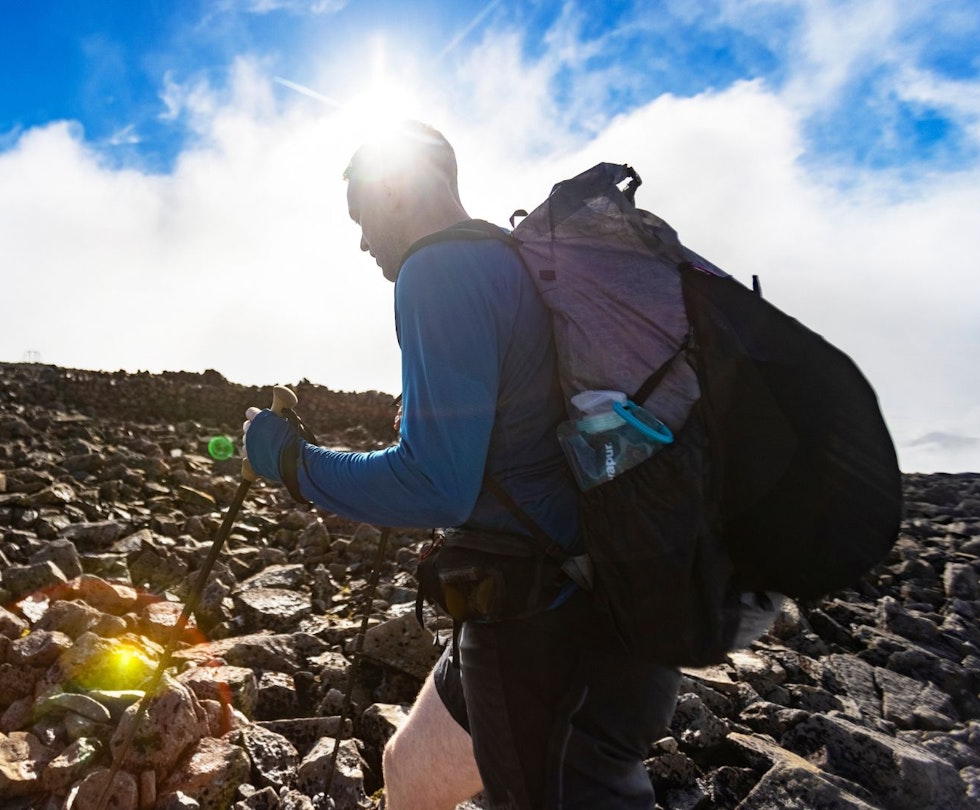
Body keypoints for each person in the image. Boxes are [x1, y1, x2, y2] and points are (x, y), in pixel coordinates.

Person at [242, 121, 681, 809]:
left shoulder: (436, 271)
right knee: (410, 768)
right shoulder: (507, 260)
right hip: (577, 587)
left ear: (399, 192)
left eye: (362, 217)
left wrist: (291, 462)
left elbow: (435, 485)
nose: (361, 241)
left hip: (547, 622)